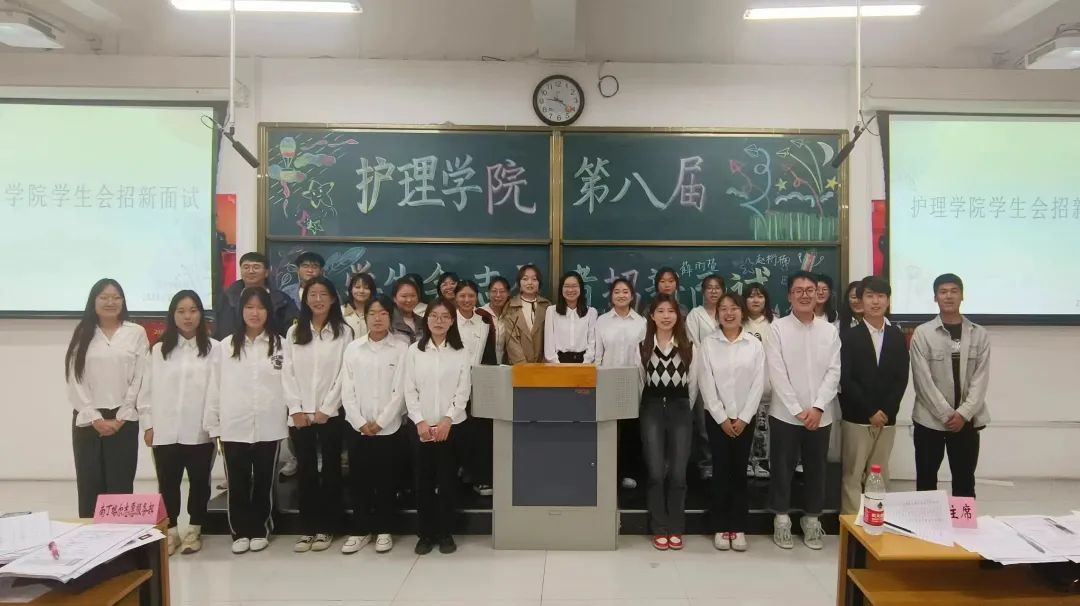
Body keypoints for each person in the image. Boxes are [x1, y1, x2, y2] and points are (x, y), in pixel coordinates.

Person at [204, 287, 288, 555]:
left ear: (268, 311)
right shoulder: (225, 346)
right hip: (234, 424)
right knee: (237, 481)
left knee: (264, 480)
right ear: (241, 311)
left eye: (260, 307)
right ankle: (240, 531)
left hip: (269, 423)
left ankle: (261, 528)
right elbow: (214, 386)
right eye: (249, 307)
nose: (255, 313)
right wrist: (214, 423)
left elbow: (290, 384)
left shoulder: (281, 345)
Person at [137, 290, 217, 555]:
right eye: (181, 311)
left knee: (200, 482)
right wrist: (148, 424)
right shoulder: (159, 350)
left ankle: (194, 529)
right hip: (165, 429)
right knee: (167, 483)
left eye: (193, 310)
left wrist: (215, 425)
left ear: (201, 315)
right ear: (172, 315)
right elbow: (146, 390)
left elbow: (218, 389)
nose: (187, 316)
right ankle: (170, 531)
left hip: (200, 430)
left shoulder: (214, 349)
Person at [765, 271, 841, 551]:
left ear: (819, 294)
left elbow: (834, 371)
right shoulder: (777, 329)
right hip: (785, 414)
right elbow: (777, 372)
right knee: (782, 468)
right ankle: (781, 519)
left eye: (810, 290)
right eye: (799, 290)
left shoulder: (829, 330)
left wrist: (818, 407)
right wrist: (798, 410)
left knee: (817, 469)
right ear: (789, 296)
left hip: (821, 415)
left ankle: (812, 519)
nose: (805, 295)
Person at [65, 279, 148, 519]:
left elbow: (141, 376)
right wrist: (95, 417)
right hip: (88, 421)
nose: (110, 302)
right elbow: (75, 378)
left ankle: (120, 538)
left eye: (116, 297)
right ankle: (91, 538)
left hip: (124, 420)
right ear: (93, 301)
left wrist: (121, 416)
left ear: (123, 301)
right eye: (104, 297)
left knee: (120, 486)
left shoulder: (136, 332)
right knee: (89, 485)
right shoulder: (83, 332)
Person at [281, 276, 352, 553]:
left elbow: (345, 373)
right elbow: (287, 372)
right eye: (313, 294)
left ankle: (328, 527)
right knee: (306, 471)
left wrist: (327, 408)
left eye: (323, 294)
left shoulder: (343, 332)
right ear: (305, 299)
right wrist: (296, 409)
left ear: (333, 299)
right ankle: (308, 528)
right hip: (300, 414)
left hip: (329, 413)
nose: (318, 299)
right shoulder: (294, 331)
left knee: (332, 470)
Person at [910, 273, 990, 498]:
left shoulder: (979, 334)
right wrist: (947, 414)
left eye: (954, 291)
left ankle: (962, 522)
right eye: (943, 292)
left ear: (962, 296)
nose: (948, 296)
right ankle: (927, 522)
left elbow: (981, 379)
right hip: (929, 420)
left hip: (966, 421)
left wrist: (963, 413)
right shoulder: (923, 333)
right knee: (926, 481)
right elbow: (922, 381)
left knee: (965, 481)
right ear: (935, 297)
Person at [339, 295, 408, 555]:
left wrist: (380, 422)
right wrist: (359, 421)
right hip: (358, 427)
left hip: (388, 428)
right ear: (365, 317)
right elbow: (347, 389)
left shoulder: (401, 348)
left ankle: (384, 529)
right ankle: (360, 530)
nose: (377, 318)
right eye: (372, 313)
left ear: (390, 317)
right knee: (359, 480)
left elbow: (400, 391)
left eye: (383, 313)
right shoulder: (353, 348)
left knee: (386, 479)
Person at [403, 299, 472, 555]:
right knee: (423, 482)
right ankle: (425, 534)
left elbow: (463, 391)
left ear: (452, 321)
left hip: (451, 427)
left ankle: (445, 533)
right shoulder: (414, 351)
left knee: (447, 481)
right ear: (427, 319)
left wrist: (448, 419)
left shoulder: (460, 351)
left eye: (445, 316)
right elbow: (409, 389)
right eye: (434, 315)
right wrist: (419, 420)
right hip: (421, 427)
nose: (439, 321)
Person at [699, 293, 764, 552]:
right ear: (717, 314)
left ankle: (737, 526)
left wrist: (745, 417)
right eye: (723, 309)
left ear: (742, 312)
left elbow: (758, 383)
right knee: (720, 471)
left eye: (734, 308)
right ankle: (719, 526)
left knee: (739, 472)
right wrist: (722, 417)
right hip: (717, 419)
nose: (728, 313)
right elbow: (706, 383)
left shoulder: (753, 344)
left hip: (745, 419)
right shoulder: (708, 343)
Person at [838, 277, 909, 515]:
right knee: (852, 474)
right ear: (861, 301)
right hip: (857, 417)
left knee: (879, 474)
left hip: (886, 419)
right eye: (869, 296)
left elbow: (901, 378)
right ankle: (851, 525)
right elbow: (846, 378)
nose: (875, 301)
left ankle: (876, 519)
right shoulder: (849, 336)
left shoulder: (897, 336)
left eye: (880, 296)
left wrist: (886, 410)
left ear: (888, 301)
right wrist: (869, 411)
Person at [638, 294, 699, 551]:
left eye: (671, 311)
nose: (666, 316)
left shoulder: (689, 346)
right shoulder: (642, 346)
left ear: (678, 316)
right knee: (655, 472)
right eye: (660, 311)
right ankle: (659, 527)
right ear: (652, 316)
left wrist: (683, 409)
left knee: (678, 473)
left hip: (680, 410)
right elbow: (639, 380)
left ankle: (676, 527)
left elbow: (693, 385)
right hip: (651, 409)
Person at [595, 278, 646, 490]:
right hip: (607, 381)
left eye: (625, 291)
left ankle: (628, 472)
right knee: (607, 430)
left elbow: (644, 356)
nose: (621, 295)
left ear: (632, 296)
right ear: (611, 296)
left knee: (630, 430)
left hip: (633, 382)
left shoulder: (641, 322)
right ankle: (607, 473)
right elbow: (597, 354)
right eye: (617, 291)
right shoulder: (602, 321)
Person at [455, 280, 498, 496]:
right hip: (452, 384)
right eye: (462, 296)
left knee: (480, 432)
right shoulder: (448, 319)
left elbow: (490, 355)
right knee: (455, 429)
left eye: (471, 296)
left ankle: (480, 477)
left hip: (478, 383)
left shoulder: (484, 320)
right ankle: (454, 475)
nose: (466, 300)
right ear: (455, 298)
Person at [686, 274, 725, 481]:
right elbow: (693, 344)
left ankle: (724, 463)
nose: (713, 291)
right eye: (709, 287)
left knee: (726, 420)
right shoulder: (695, 314)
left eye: (717, 287)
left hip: (728, 376)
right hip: (703, 374)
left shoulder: (728, 312)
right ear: (703, 291)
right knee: (703, 424)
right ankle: (707, 463)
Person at [213, 251, 298, 340]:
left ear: (266, 272)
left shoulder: (282, 300)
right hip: (233, 346)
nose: (251, 271)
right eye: (246, 267)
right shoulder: (227, 298)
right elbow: (220, 330)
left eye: (256, 267)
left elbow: (291, 332)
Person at [743, 284, 774, 480]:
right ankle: (746, 460)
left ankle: (762, 461)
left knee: (763, 426)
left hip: (767, 384)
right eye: (751, 296)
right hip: (743, 386)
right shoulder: (739, 322)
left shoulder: (774, 323)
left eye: (760, 296)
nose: (755, 300)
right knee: (745, 424)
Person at [544, 271, 598, 364]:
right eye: (567, 286)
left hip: (584, 362)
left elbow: (592, 343)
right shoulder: (551, 311)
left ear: (580, 288)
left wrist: (585, 364)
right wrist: (557, 365)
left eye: (574, 286)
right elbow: (549, 345)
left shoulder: (591, 312)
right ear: (561, 289)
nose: (570, 290)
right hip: (558, 363)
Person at [504, 264, 552, 365]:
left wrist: (545, 363)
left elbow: (551, 339)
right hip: (519, 366)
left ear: (539, 283)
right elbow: (511, 342)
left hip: (543, 366)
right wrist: (523, 365)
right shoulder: (510, 306)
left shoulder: (547, 306)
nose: (530, 282)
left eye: (534, 279)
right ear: (519, 283)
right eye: (525, 279)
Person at [480, 276, 511, 364]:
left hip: (507, 365)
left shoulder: (512, 315)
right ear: (488, 293)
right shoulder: (479, 314)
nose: (498, 295)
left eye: (502, 291)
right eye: (494, 291)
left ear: (508, 294)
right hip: (484, 365)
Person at [342, 272, 377, 340]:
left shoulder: (377, 312)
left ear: (371, 291)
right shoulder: (341, 311)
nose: (361, 291)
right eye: (357, 287)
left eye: (366, 288)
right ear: (351, 290)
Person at [391, 278, 424, 344]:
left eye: (413, 296)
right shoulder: (388, 321)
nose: (409, 300)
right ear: (394, 298)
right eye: (404, 296)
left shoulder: (423, 322)